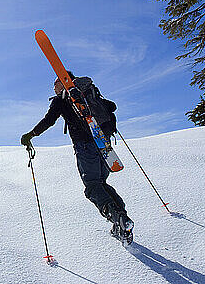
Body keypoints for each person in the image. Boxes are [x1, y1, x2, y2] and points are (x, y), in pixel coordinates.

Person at [20, 71, 134, 243]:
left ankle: (118, 218)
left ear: (62, 80)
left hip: (85, 145)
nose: (54, 87)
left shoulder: (62, 99)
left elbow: (49, 120)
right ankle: (123, 221)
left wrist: (31, 134)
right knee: (101, 183)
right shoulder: (88, 90)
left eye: (56, 82)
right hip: (104, 142)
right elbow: (110, 107)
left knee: (92, 186)